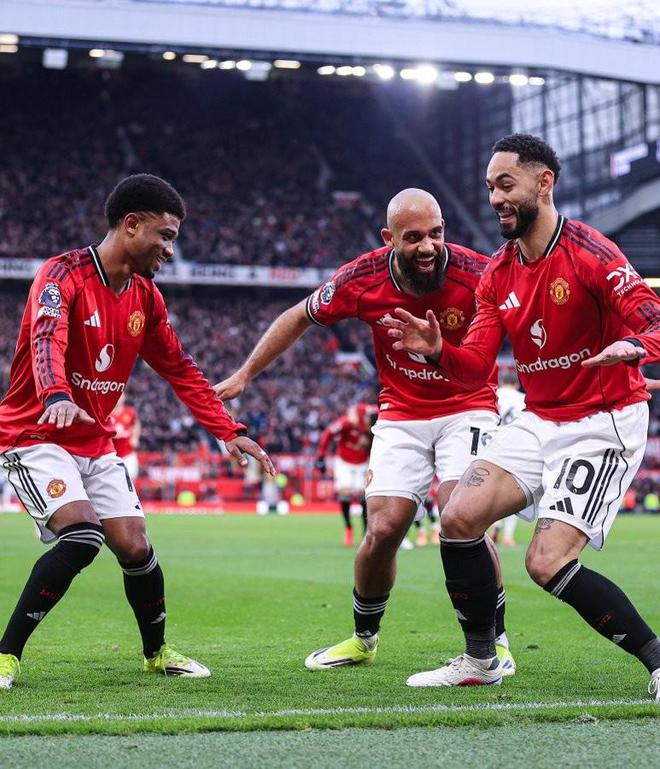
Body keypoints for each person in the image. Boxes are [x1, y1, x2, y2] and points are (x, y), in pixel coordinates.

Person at [385, 133, 660, 698]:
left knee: (546, 562)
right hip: (540, 419)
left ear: (544, 182)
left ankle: (657, 660)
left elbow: (654, 319)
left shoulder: (592, 253)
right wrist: (438, 352)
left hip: (602, 420)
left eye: (505, 185)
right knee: (458, 517)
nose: (495, 199)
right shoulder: (497, 273)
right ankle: (482, 659)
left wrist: (635, 346)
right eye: (490, 188)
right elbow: (473, 369)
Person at [215, 188, 515, 675]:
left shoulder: (478, 273)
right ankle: (363, 639)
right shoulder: (362, 277)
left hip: (469, 405)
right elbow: (298, 315)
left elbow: (531, 316)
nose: (427, 246)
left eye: (436, 233)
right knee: (383, 530)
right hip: (401, 412)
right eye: (413, 237)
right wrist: (246, 374)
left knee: (462, 517)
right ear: (388, 238)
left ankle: (494, 643)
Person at [0, 174, 274, 689]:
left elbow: (179, 367)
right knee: (83, 537)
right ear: (131, 225)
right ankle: (5, 654)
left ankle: (157, 653)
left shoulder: (146, 297)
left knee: (136, 546)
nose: (170, 249)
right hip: (35, 434)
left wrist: (228, 429)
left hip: (94, 440)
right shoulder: (62, 274)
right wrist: (56, 394)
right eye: (165, 236)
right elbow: (46, 337)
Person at [316, 402, 378, 547]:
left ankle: (365, 532)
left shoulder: (376, 424)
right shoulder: (347, 422)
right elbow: (328, 433)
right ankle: (349, 527)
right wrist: (321, 456)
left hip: (363, 462)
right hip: (344, 461)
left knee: (365, 496)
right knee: (345, 494)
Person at [491, 368, 527, 547]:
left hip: (492, 446)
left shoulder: (494, 395)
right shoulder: (522, 398)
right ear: (517, 384)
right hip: (516, 447)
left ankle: (495, 522)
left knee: (491, 491)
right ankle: (508, 536)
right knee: (514, 493)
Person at [110, 392, 141, 479]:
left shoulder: (129, 412)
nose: (118, 398)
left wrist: (135, 438)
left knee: (131, 477)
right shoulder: (106, 414)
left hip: (127, 453)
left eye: (120, 396)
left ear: (124, 398)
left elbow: (136, 425)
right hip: (111, 454)